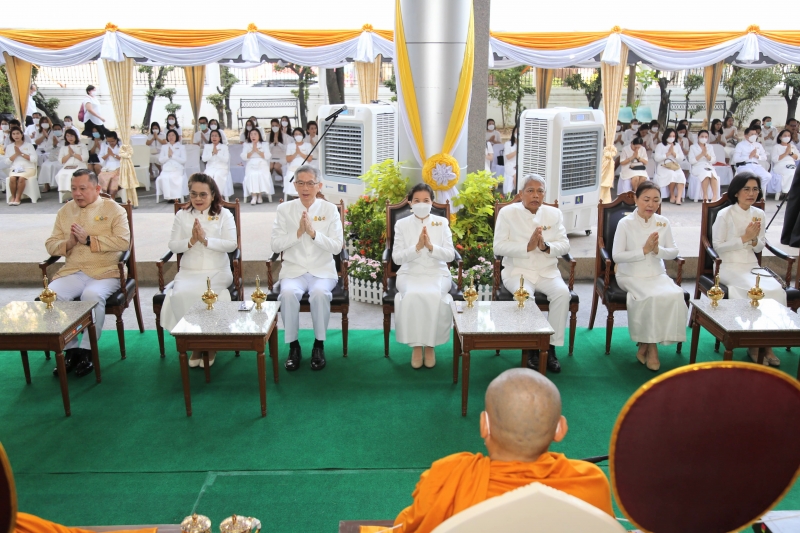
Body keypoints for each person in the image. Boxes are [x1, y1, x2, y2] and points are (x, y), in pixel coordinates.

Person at [392, 368, 614, 533]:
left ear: (484, 425)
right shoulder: (590, 482)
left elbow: (406, 526)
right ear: (560, 429)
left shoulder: (447, 476)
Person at [45, 169, 130, 377]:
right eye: (74, 189)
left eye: (82, 188)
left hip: (106, 271)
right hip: (73, 271)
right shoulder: (65, 211)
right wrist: (69, 243)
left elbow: (123, 242)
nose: (77, 193)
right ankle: (70, 349)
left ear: (97, 188)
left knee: (91, 296)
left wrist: (89, 240)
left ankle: (87, 350)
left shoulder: (114, 209)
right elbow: (50, 244)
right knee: (52, 296)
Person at [493, 174, 570, 373]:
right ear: (521, 194)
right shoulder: (508, 213)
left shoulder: (554, 214)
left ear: (544, 194)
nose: (536, 195)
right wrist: (526, 247)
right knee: (525, 297)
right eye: (530, 191)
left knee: (563, 294)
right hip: (517, 271)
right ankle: (532, 349)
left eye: (540, 191)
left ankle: (550, 348)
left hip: (547, 271)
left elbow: (565, 245)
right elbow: (498, 246)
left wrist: (546, 247)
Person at [270, 165, 343, 372]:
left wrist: (313, 233)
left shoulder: (329, 209)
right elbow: (275, 245)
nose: (305, 188)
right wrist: (298, 233)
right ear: (294, 185)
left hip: (323, 270)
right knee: (287, 294)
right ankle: (294, 347)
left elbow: (337, 246)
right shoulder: (284, 209)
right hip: (294, 270)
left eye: (310, 183)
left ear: (319, 185)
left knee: (320, 293)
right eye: (300, 183)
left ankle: (319, 345)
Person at [160, 173, 237, 368]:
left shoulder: (224, 214)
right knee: (180, 294)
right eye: (193, 194)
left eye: (203, 194)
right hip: (189, 271)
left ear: (213, 195)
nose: (198, 199)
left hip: (217, 270)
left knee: (203, 295)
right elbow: (173, 245)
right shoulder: (182, 215)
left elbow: (231, 244)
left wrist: (205, 240)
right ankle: (195, 342)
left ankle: (209, 344)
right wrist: (192, 240)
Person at [612, 181, 686, 372]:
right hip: (630, 274)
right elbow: (617, 256)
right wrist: (644, 250)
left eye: (655, 200)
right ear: (636, 199)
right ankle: (652, 348)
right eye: (646, 199)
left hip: (656, 273)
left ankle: (645, 345)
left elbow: (674, 251)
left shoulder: (663, 222)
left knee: (675, 295)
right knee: (650, 297)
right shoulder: (625, 223)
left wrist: (657, 250)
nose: (651, 204)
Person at [713, 173, 784, 366]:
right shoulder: (725, 214)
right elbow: (718, 247)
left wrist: (753, 239)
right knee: (750, 290)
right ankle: (752, 343)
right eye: (746, 189)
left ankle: (766, 344)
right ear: (736, 192)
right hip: (728, 265)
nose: (751, 193)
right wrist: (744, 238)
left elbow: (759, 247)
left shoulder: (759, 214)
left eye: (755, 189)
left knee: (775, 290)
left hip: (751, 265)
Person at [392, 183, 456, 369]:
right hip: (409, 272)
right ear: (410, 203)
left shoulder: (441, 222)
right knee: (412, 295)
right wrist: (418, 247)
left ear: (432, 202)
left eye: (426, 200)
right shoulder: (402, 224)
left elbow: (450, 255)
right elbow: (396, 258)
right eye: (417, 200)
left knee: (433, 295)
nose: (421, 204)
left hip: (437, 272)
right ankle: (416, 346)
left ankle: (430, 346)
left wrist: (430, 246)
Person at [5, 127, 37, 206]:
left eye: (17, 133)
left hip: (28, 168)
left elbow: (34, 159)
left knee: (21, 178)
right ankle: (13, 197)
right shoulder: (9, 147)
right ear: (11, 136)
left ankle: (18, 198)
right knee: (12, 178)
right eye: (13, 134)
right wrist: (16, 154)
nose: (16, 136)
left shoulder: (29, 145)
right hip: (15, 168)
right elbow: (7, 161)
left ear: (22, 135)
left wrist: (21, 154)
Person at [653, 128, 686, 205]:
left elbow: (681, 158)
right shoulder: (660, 145)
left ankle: (678, 198)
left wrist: (674, 153)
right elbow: (657, 158)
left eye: (673, 136)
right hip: (663, 165)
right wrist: (668, 153)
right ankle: (672, 195)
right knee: (671, 174)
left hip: (674, 165)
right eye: (670, 136)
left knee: (681, 175)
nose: (672, 138)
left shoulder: (677, 145)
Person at [242, 127, 273, 205]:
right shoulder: (246, 145)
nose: (253, 136)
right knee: (252, 175)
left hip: (262, 164)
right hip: (251, 165)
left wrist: (257, 151)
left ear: (259, 135)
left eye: (255, 134)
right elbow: (243, 156)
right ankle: (254, 196)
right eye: (251, 134)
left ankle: (260, 195)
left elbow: (267, 156)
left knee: (260, 175)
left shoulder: (264, 144)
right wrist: (252, 151)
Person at [156, 129, 188, 203]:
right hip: (167, 168)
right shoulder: (164, 147)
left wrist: (173, 156)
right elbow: (160, 160)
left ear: (176, 136)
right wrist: (168, 156)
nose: (171, 137)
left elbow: (184, 160)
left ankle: (176, 196)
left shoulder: (181, 147)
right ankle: (168, 197)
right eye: (169, 135)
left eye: (173, 135)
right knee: (164, 177)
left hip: (177, 168)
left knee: (173, 178)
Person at [689, 129, 719, 203]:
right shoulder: (693, 147)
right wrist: (701, 154)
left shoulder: (710, 147)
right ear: (698, 137)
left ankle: (714, 196)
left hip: (708, 166)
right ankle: (705, 196)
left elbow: (713, 160)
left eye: (706, 137)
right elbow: (691, 161)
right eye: (702, 136)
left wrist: (706, 155)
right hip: (697, 167)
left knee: (713, 174)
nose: (704, 138)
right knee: (705, 174)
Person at [201, 130, 232, 201]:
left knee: (218, 176)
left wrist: (217, 153)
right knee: (208, 176)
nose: (214, 137)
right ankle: (208, 195)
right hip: (210, 168)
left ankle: (217, 196)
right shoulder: (207, 146)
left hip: (221, 168)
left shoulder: (224, 147)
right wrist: (212, 153)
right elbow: (204, 159)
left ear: (219, 138)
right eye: (212, 136)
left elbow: (226, 159)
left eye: (216, 136)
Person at [55, 130, 89, 195]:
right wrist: (69, 154)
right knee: (60, 175)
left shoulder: (82, 146)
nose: (70, 138)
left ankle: (73, 193)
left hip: (79, 165)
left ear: (75, 136)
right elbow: (61, 160)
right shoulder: (63, 147)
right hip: (67, 166)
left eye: (71, 136)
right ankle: (65, 193)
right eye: (68, 136)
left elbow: (85, 158)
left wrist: (73, 154)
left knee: (72, 175)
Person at [283, 127, 312, 199]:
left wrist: (300, 153)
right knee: (291, 176)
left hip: (304, 165)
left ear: (303, 135)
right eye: (296, 134)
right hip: (293, 166)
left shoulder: (308, 145)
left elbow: (309, 159)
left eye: (299, 134)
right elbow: (288, 159)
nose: (298, 136)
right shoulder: (290, 145)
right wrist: (295, 153)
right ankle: (294, 195)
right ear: (293, 136)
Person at [771, 129, 798, 199]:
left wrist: (790, 153)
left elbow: (797, 157)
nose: (787, 137)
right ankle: (787, 192)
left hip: (791, 164)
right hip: (780, 165)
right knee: (790, 173)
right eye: (785, 136)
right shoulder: (776, 147)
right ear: (780, 137)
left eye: (789, 136)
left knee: (795, 173)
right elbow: (774, 159)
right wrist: (786, 153)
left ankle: (795, 193)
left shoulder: (792, 146)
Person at [38, 121, 64, 192]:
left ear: (62, 129)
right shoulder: (51, 137)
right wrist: (53, 144)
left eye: (58, 129)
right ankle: (47, 186)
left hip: (62, 157)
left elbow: (66, 147)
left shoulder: (65, 137)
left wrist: (57, 144)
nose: (57, 130)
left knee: (56, 166)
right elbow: (46, 148)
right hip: (52, 156)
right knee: (44, 165)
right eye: (55, 129)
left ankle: (60, 185)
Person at [96, 131, 122, 199]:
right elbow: (100, 157)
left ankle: (112, 197)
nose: (110, 143)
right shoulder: (104, 145)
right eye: (109, 141)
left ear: (116, 139)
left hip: (119, 166)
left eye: (112, 141)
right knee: (101, 176)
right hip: (107, 166)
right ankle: (104, 196)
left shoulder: (121, 145)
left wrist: (113, 155)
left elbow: (124, 159)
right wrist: (108, 154)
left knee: (114, 179)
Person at [267, 118, 286, 184]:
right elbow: (267, 148)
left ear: (279, 125)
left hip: (281, 157)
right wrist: (273, 143)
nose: (274, 127)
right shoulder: (268, 136)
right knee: (270, 167)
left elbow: (285, 148)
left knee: (276, 167)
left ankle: (285, 178)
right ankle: (268, 182)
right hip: (272, 156)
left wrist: (278, 142)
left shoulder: (284, 136)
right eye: (273, 126)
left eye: (276, 125)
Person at [502, 125, 517, 195]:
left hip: (518, 165)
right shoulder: (508, 144)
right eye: (516, 132)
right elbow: (508, 157)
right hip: (510, 165)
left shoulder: (523, 144)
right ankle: (518, 194)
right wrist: (517, 150)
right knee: (516, 175)